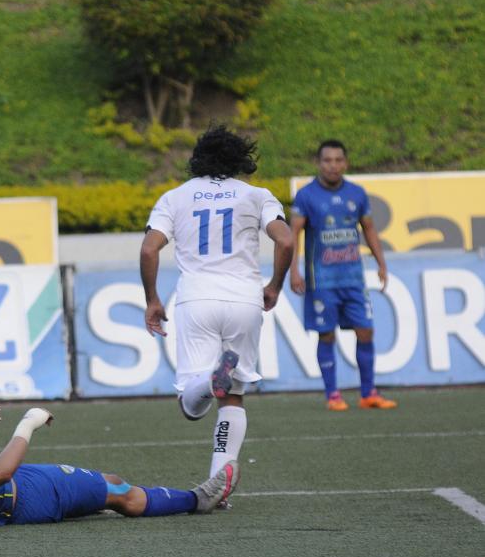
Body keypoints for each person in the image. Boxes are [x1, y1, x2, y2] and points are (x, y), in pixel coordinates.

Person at [139, 125, 293, 503]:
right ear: (241, 159)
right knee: (234, 396)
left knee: (190, 407)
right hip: (245, 300)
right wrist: (274, 286)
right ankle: (218, 488)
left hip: (197, 300)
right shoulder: (257, 195)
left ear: (198, 158)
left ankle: (209, 382)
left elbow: (148, 249)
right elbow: (287, 240)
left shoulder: (174, 198)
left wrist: (153, 299)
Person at [0, 404, 238, 529]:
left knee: (109, 484)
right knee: (119, 492)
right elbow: (0, 473)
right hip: (28, 495)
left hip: (20, 492)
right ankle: (197, 500)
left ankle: (98, 500)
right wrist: (29, 422)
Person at [289, 139, 397, 412]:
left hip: (353, 279)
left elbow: (369, 229)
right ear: (318, 163)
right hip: (322, 281)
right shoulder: (306, 196)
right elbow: (293, 234)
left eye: (338, 160)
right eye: (327, 160)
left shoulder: (356, 194)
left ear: (346, 163)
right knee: (326, 335)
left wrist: (381, 264)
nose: (333, 165)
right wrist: (294, 270)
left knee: (366, 330)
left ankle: (368, 393)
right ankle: (333, 395)